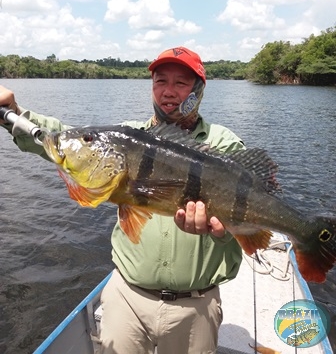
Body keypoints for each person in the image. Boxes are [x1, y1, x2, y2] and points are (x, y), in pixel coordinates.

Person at [0, 47, 245, 354]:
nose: (169, 92)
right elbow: (65, 138)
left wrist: (221, 234)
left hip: (195, 306)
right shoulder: (127, 138)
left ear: (199, 90)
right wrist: (15, 115)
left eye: (181, 83)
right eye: (160, 81)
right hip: (126, 297)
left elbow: (247, 222)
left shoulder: (224, 146)